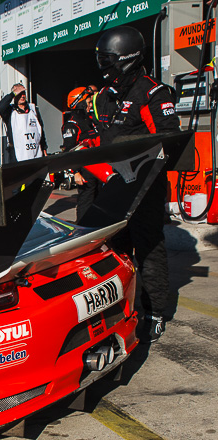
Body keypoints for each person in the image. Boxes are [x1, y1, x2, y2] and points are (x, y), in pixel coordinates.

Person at [92, 25, 180, 342]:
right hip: (114, 187)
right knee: (111, 253)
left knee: (148, 249)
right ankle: (116, 309)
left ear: (126, 59)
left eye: (108, 61)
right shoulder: (104, 97)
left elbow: (168, 137)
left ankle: (155, 312)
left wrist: (125, 143)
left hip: (146, 188)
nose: (104, 68)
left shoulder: (153, 92)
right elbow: (99, 136)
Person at [61, 86, 100, 223]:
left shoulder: (91, 121)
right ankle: (83, 228)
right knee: (86, 201)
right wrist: (75, 172)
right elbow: (69, 150)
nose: (90, 105)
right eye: (88, 102)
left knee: (99, 201)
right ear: (80, 102)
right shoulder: (72, 125)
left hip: (98, 167)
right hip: (84, 170)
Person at [0, 83, 48, 163]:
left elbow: (40, 131)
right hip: (18, 155)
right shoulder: (10, 111)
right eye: (19, 94)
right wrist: (12, 94)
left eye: (23, 93)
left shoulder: (33, 109)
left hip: (36, 153)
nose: (22, 96)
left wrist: (44, 148)